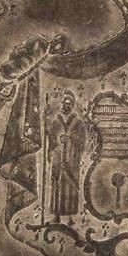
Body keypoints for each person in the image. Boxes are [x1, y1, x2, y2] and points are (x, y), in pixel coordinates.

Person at [49, 91, 86, 219]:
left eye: (69, 103)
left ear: (72, 105)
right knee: (57, 185)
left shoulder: (78, 123)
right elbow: (51, 140)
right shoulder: (56, 122)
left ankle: (70, 218)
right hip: (58, 159)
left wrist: (70, 138)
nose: (66, 105)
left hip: (71, 159)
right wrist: (56, 140)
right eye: (64, 103)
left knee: (70, 186)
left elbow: (82, 141)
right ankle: (56, 216)